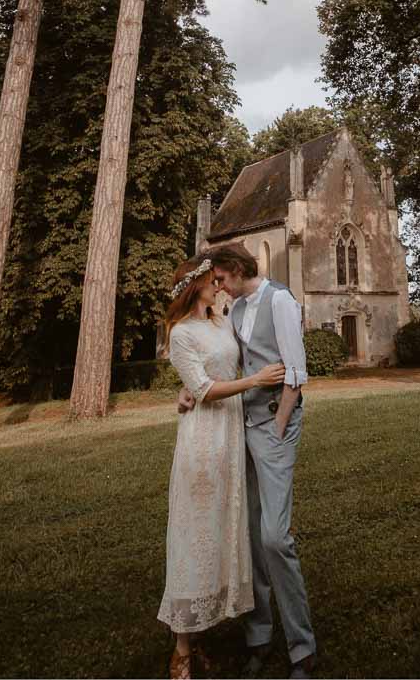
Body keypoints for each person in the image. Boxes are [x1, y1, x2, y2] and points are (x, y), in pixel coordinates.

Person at [180, 242, 316, 678]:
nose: (217, 286)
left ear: (237, 270)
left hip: (273, 429)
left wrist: (277, 425)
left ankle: (302, 648)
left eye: (220, 278)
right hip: (240, 432)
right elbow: (228, 368)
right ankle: (259, 636)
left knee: (275, 537)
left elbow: (295, 371)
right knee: (251, 538)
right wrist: (189, 390)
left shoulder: (281, 301)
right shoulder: (235, 311)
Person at [158, 256, 286, 679]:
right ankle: (182, 649)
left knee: (222, 528)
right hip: (203, 440)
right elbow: (205, 387)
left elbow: (215, 369)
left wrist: (187, 389)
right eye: (213, 282)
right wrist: (255, 382)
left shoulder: (221, 320)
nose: (220, 286)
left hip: (232, 435)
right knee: (194, 530)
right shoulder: (180, 333)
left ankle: (209, 627)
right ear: (195, 287)